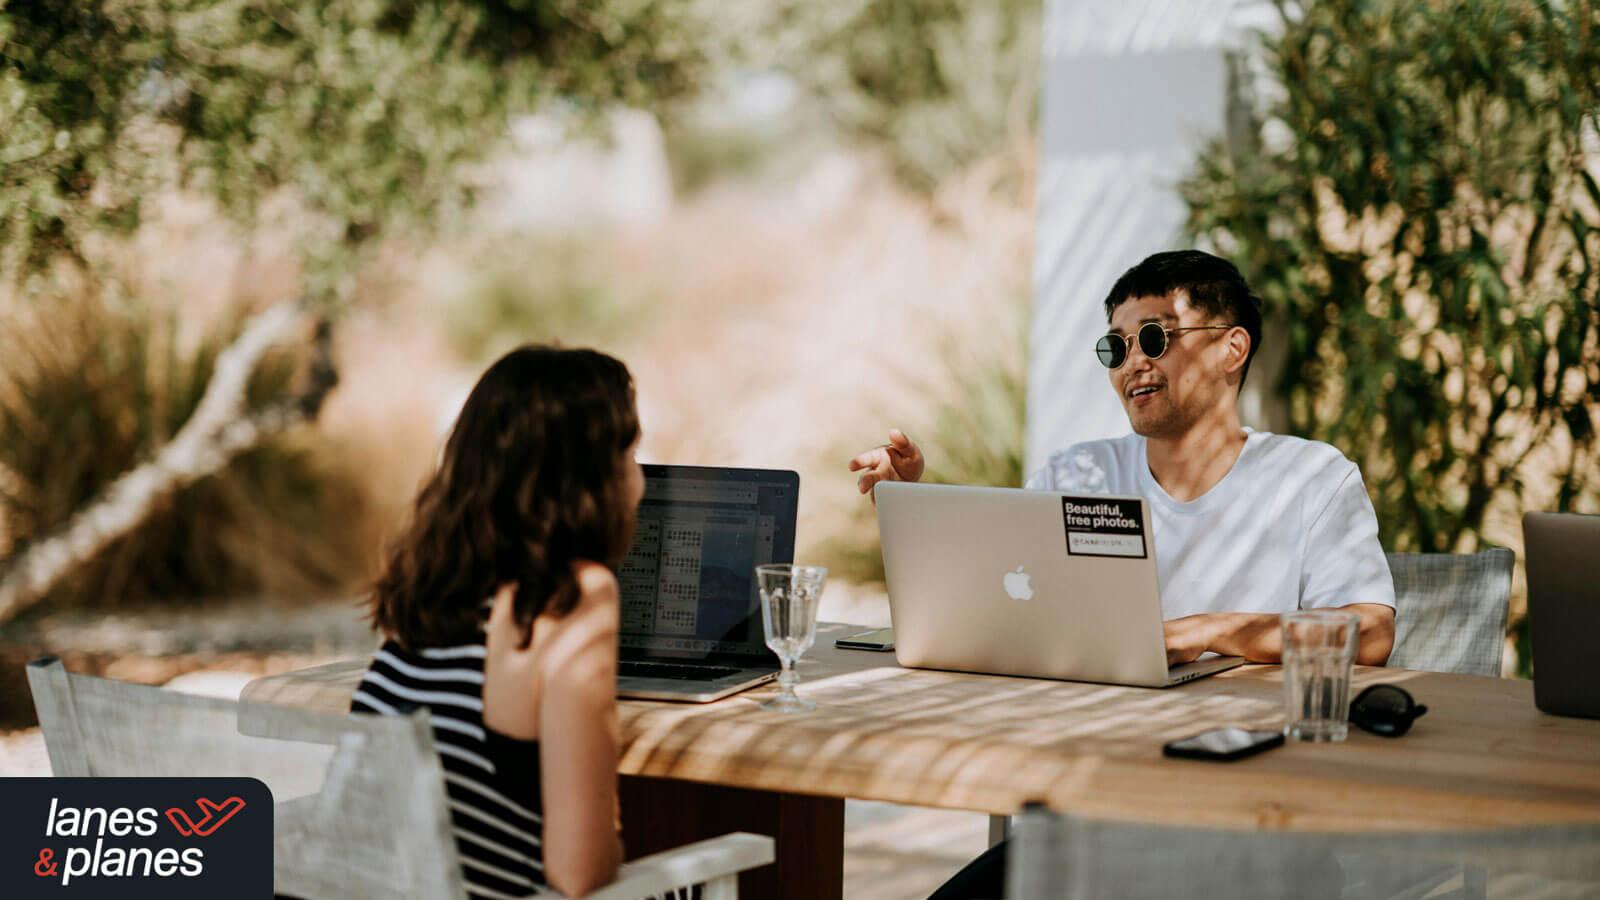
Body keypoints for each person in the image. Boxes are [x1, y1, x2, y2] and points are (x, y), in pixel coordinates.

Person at [850, 250, 1396, 899]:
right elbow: (1001, 602)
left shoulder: (1311, 477)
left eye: (1156, 337)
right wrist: (921, 504)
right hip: (1093, 821)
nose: (1134, 361)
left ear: (1232, 349)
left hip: (1257, 831)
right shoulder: (1078, 473)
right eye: (1116, 347)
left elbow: (1369, 635)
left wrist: (1203, 631)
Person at [352, 345, 643, 899]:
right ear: (590, 479)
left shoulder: (429, 587)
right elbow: (579, 872)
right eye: (630, 454)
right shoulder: (571, 596)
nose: (639, 479)